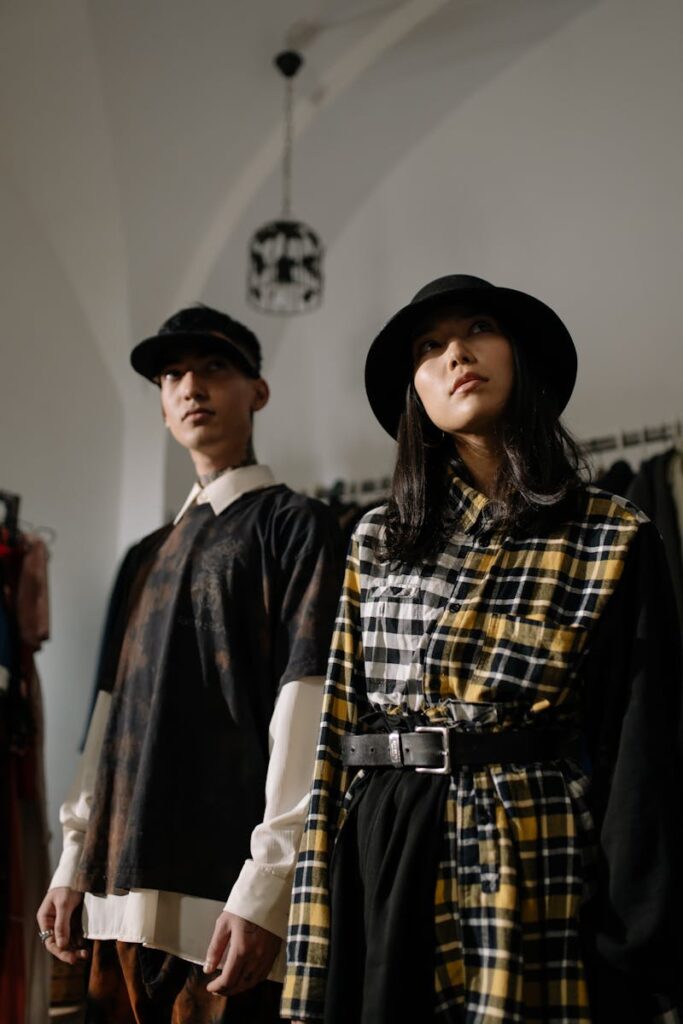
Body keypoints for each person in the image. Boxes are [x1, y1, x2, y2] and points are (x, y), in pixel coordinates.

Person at [282, 275, 683, 1023]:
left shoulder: (610, 532)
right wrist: (313, 922)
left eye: (476, 329)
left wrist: (639, 942)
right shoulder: (377, 537)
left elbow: (641, 749)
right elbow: (336, 730)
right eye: (428, 348)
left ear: (519, 355)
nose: (455, 354)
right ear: (416, 394)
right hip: (386, 841)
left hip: (531, 846)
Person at [37, 304, 341, 1022]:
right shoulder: (145, 555)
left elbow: (307, 710)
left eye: (214, 368)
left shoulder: (296, 526)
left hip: (221, 912)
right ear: (163, 406)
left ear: (256, 391)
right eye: (172, 375)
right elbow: (107, 719)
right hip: (113, 904)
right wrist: (70, 863)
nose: (190, 386)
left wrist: (268, 888)